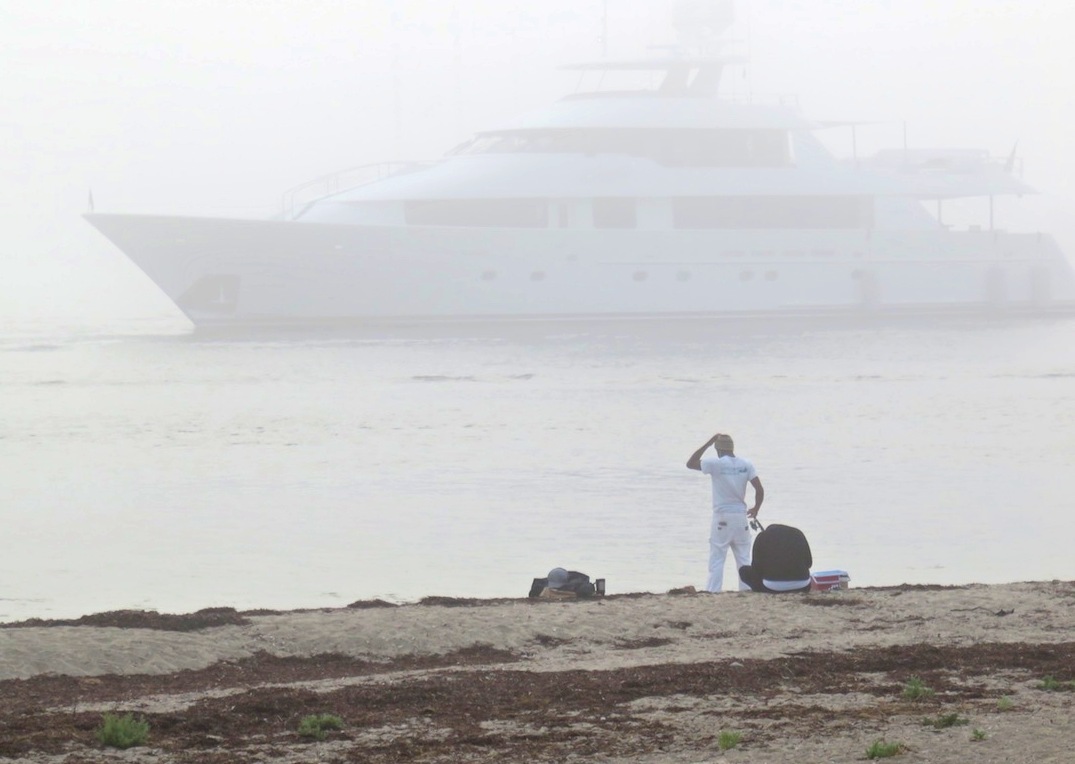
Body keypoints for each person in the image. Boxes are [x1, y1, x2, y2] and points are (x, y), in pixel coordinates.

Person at [686, 433, 764, 592]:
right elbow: (759, 489)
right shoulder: (746, 464)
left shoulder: (716, 463)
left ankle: (713, 591)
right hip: (741, 518)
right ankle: (747, 590)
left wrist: (708, 442)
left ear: (718, 450)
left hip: (722, 518)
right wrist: (756, 508)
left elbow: (690, 463)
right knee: (744, 558)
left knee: (717, 559)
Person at [737, 524, 813, 593]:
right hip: (803, 586)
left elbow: (756, 567)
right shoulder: (798, 534)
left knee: (743, 571)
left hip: (772, 588)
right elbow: (809, 563)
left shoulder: (762, 536)